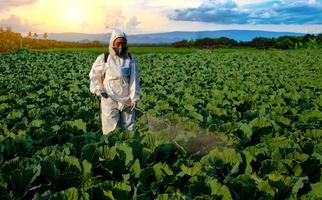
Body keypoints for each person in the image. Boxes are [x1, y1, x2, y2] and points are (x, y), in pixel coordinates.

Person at [89, 29, 141, 135]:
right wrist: (98, 90)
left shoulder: (130, 59)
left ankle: (128, 143)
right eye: (118, 43)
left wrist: (134, 98)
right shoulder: (104, 58)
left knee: (129, 126)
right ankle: (111, 143)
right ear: (112, 43)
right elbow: (94, 76)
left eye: (123, 43)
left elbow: (134, 80)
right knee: (110, 127)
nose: (120, 46)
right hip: (109, 97)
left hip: (126, 98)